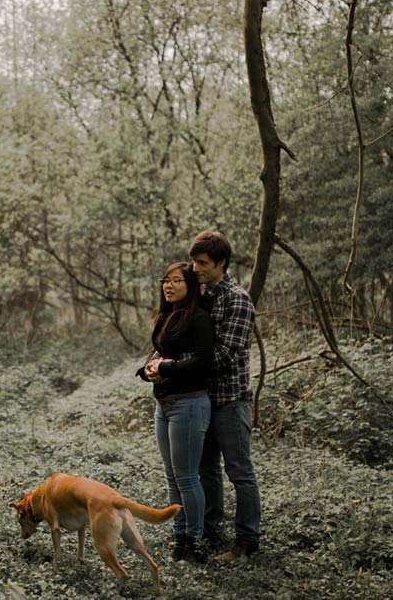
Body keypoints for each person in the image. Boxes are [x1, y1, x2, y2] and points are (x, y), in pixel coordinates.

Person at [188, 230, 261, 562]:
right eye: (193, 262)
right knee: (206, 471)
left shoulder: (237, 299)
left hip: (230, 401)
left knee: (239, 471)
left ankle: (246, 542)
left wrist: (181, 367)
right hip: (202, 400)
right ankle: (210, 531)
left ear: (221, 263)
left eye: (202, 263)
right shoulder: (198, 294)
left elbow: (228, 353)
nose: (195, 268)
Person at [138, 262, 214, 565]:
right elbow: (156, 354)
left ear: (190, 285)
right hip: (164, 405)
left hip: (189, 404)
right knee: (172, 477)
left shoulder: (198, 318)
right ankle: (180, 537)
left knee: (187, 478)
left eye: (176, 281)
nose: (168, 286)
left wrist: (167, 368)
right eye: (165, 281)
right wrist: (147, 370)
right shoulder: (166, 316)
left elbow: (204, 361)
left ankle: (195, 542)